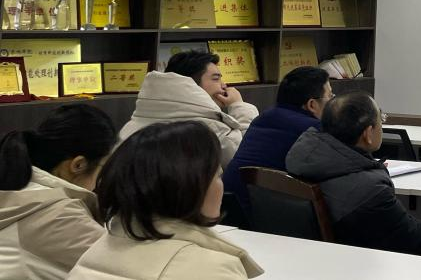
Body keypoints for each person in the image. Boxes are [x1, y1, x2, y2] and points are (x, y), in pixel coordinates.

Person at [67, 121, 262, 280]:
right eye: (217, 175)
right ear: (189, 186)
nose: (222, 185)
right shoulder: (210, 268)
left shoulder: (99, 249)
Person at [285, 92, 421, 256]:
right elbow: (411, 237)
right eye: (381, 119)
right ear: (368, 134)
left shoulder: (304, 160)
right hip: (366, 260)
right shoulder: (371, 190)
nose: (382, 125)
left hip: (322, 255)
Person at [0, 105, 116, 280]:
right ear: (78, 165)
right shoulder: (57, 216)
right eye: (104, 167)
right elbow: (124, 267)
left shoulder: (19, 188)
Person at [120, 51, 259, 167]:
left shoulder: (136, 121)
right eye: (216, 79)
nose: (224, 86)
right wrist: (239, 105)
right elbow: (249, 157)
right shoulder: (209, 129)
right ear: (190, 84)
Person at [224, 66, 331, 210]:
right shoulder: (314, 130)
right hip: (265, 215)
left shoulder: (264, 117)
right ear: (312, 104)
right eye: (330, 96)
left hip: (230, 207)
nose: (333, 101)